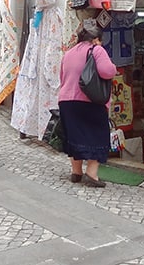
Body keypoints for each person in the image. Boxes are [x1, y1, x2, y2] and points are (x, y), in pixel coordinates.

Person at [58, 19, 117, 187]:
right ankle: (91, 173)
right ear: (95, 39)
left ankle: (76, 172)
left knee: (74, 135)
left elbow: (62, 77)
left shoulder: (68, 53)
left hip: (66, 100)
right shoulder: (96, 50)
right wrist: (113, 67)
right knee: (98, 135)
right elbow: (106, 71)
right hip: (88, 100)